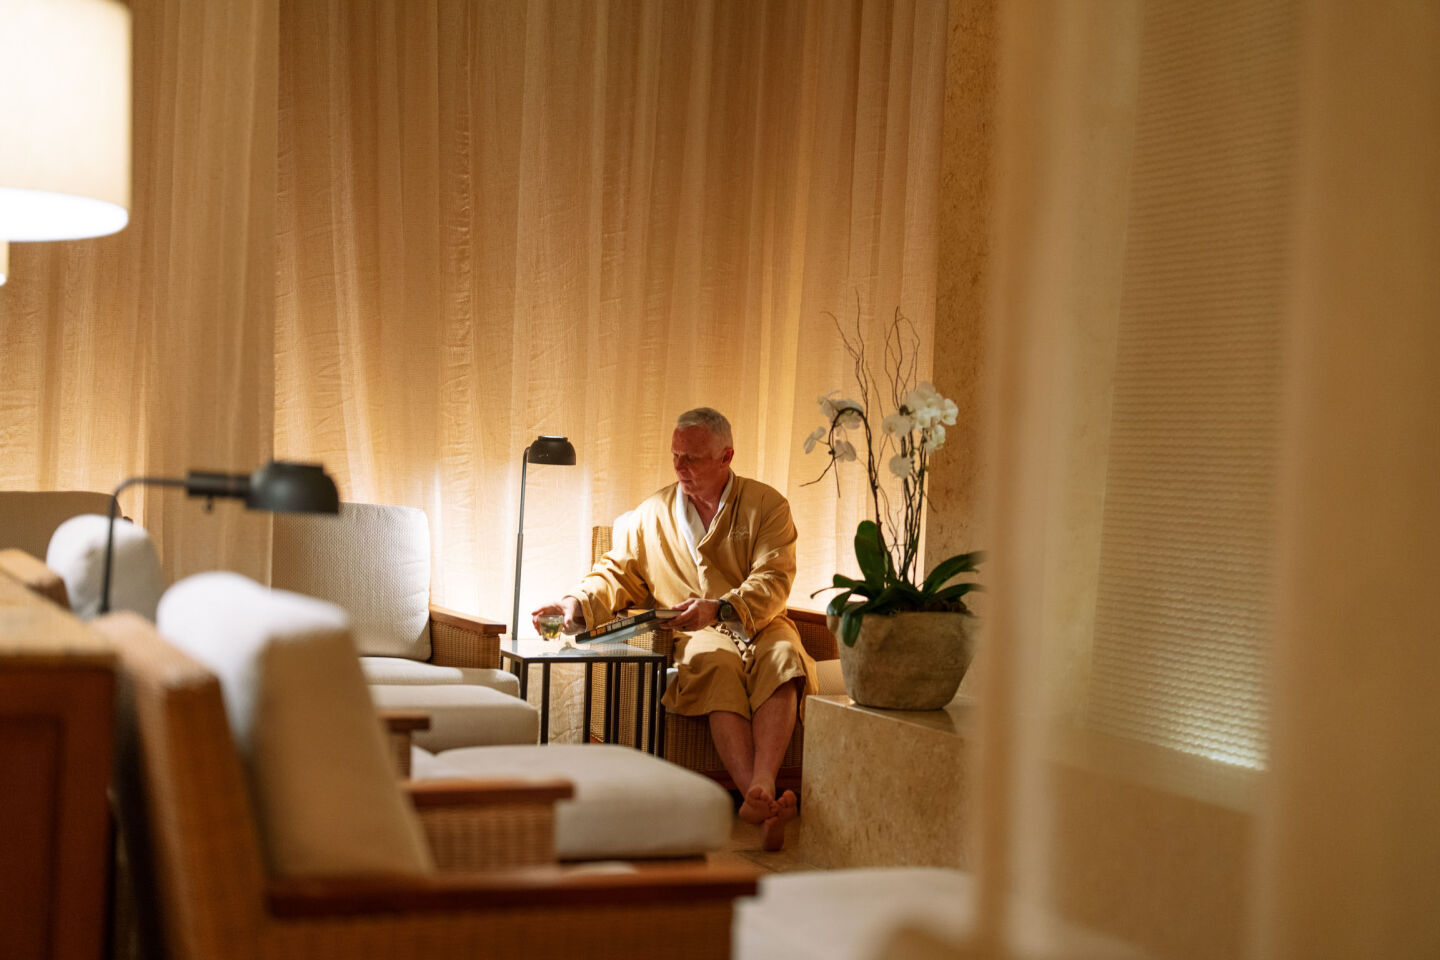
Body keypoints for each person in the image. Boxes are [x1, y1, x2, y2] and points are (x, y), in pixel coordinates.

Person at [532, 407, 817, 851]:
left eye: (693, 458)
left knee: (783, 657)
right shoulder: (649, 515)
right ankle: (758, 798)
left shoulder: (767, 506)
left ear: (727, 456)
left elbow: (775, 576)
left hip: (760, 621)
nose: (680, 467)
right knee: (714, 663)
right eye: (675, 456)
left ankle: (759, 785)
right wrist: (572, 604)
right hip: (695, 633)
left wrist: (723, 607)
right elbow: (615, 575)